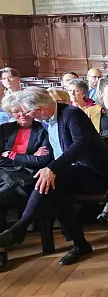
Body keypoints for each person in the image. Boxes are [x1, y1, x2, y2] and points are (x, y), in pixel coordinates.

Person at [0, 87, 108, 266]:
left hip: (96, 173)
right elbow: (51, 153)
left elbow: (80, 145)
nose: (28, 116)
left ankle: (22, 227)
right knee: (51, 186)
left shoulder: (71, 114)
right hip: (70, 172)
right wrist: (46, 163)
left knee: (52, 181)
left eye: (28, 112)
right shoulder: (46, 121)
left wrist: (53, 168)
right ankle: (79, 244)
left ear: (39, 110)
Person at [0, 92, 52, 272]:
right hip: (4, 176)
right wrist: (29, 157)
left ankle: (1, 249)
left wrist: (12, 155)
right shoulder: (4, 129)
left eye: (23, 110)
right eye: (15, 112)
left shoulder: (43, 129)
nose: (21, 115)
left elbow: (42, 161)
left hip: (29, 180)